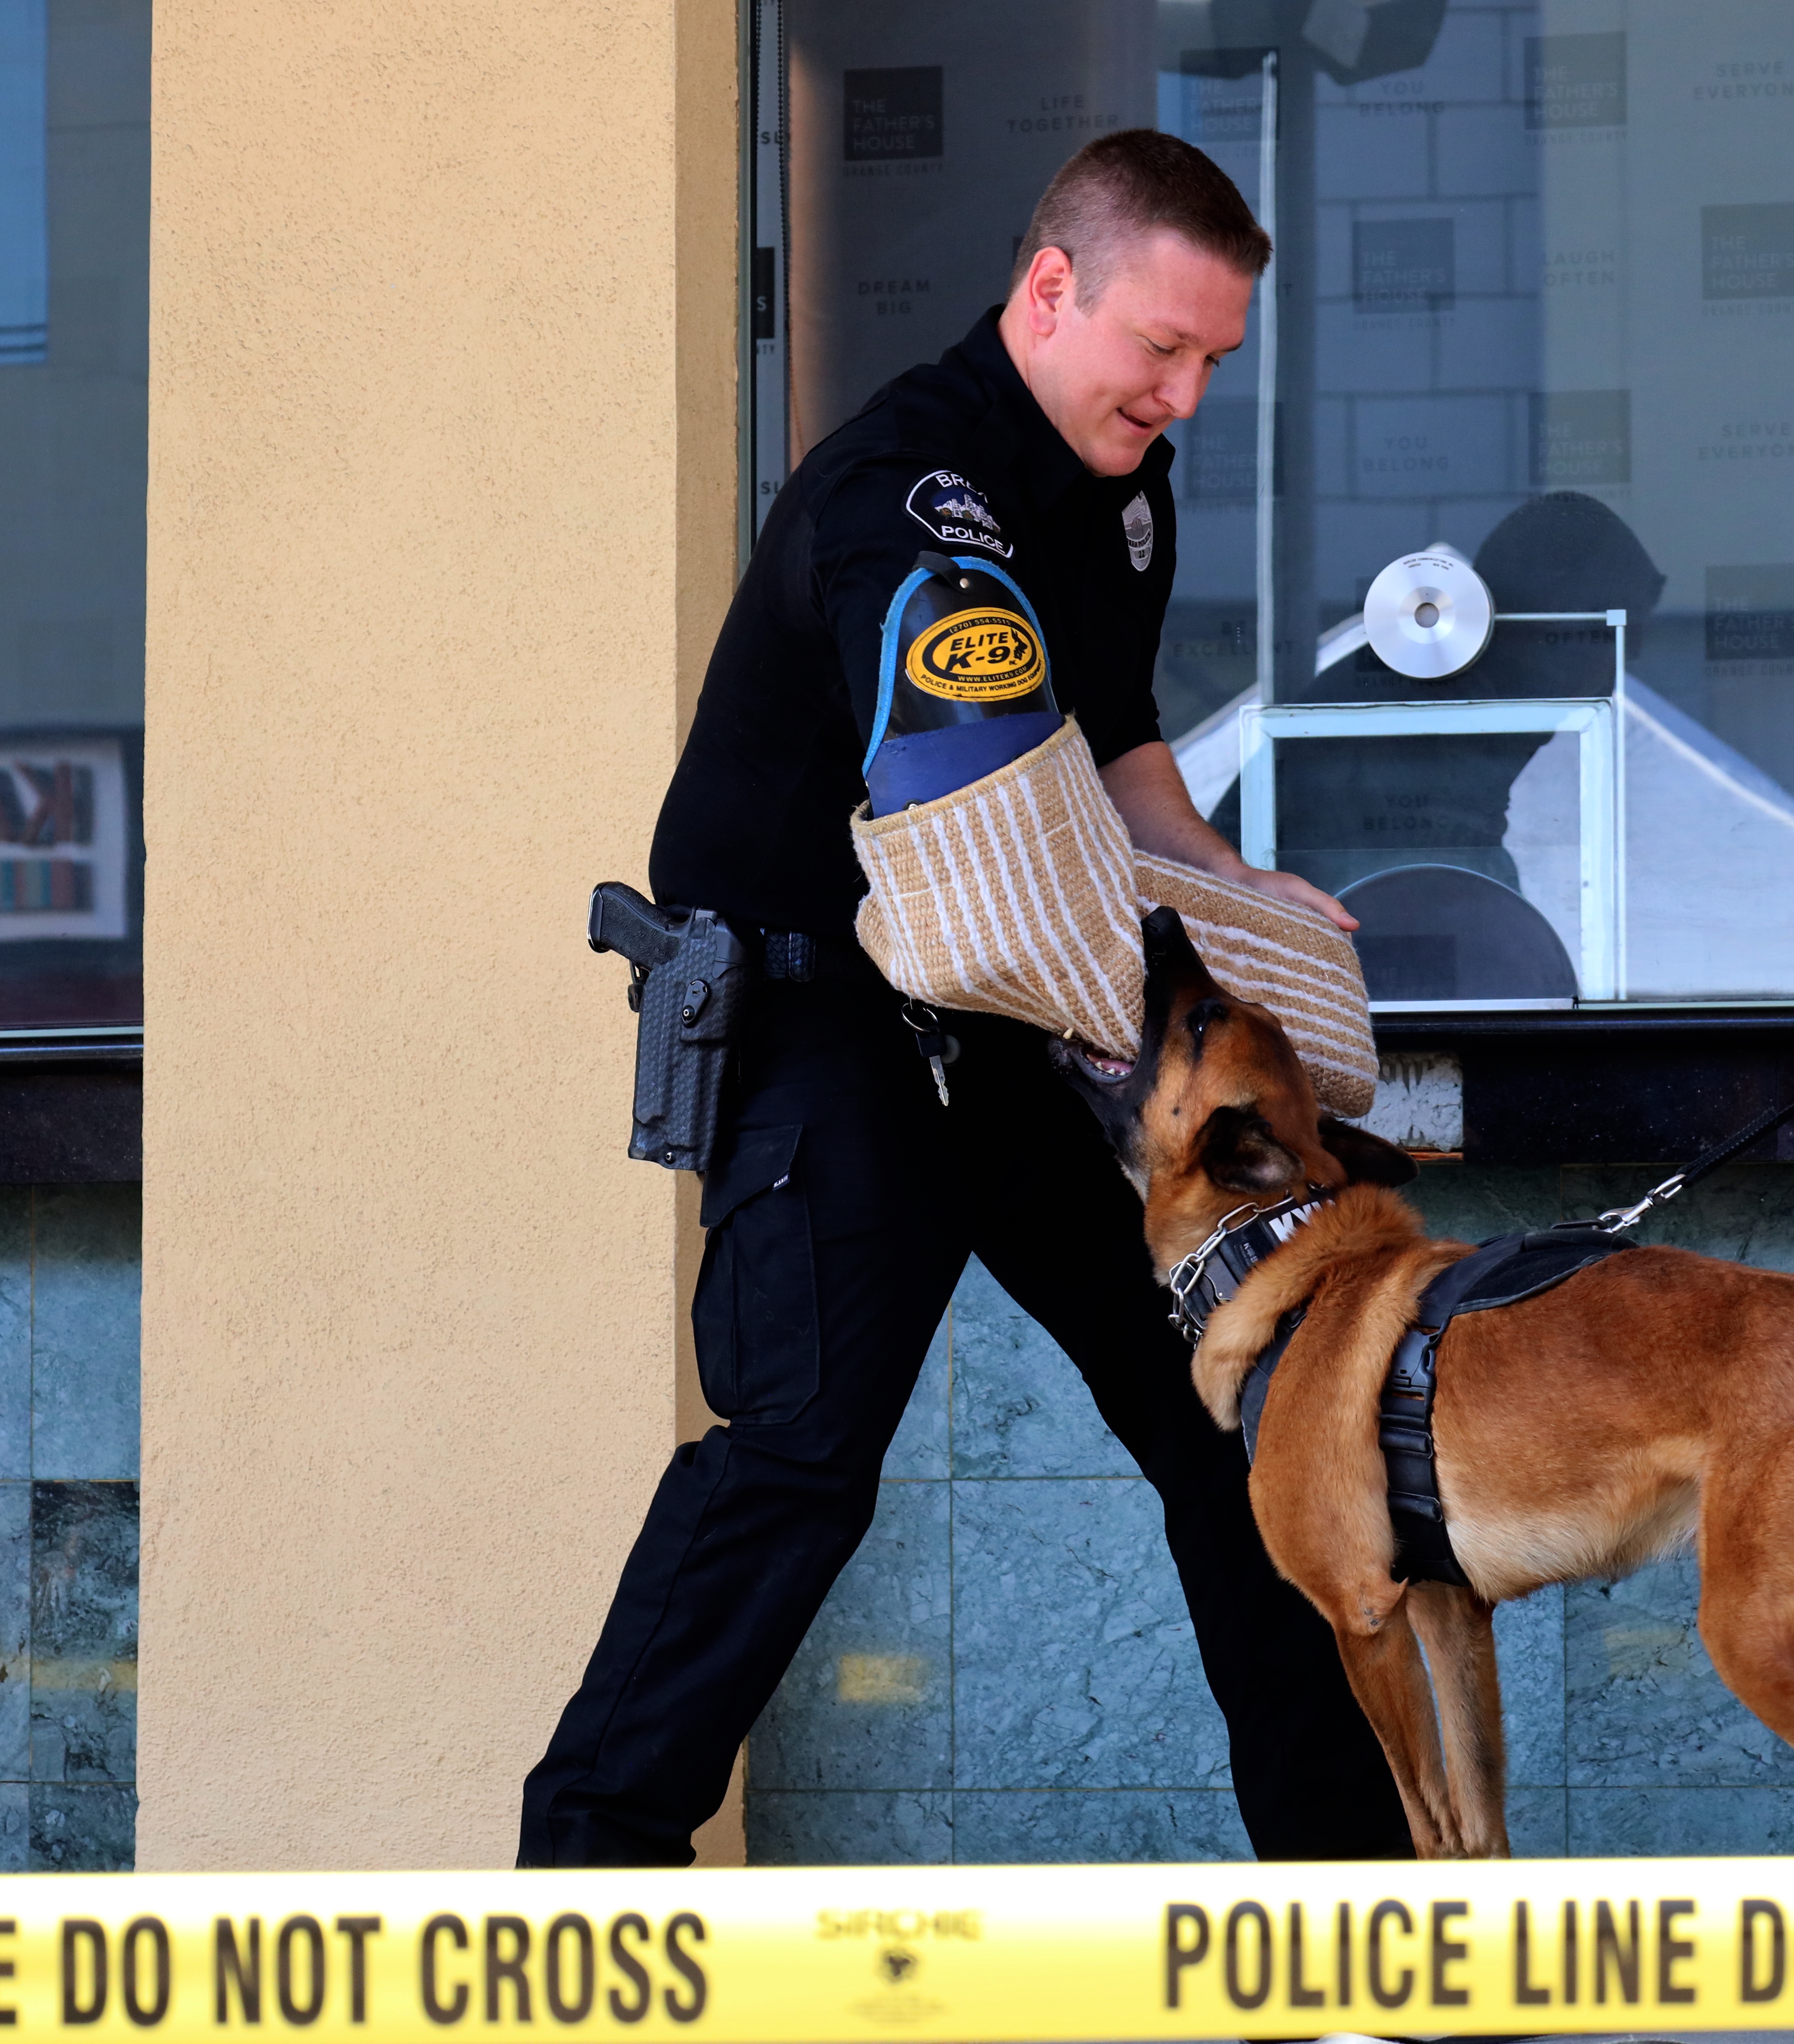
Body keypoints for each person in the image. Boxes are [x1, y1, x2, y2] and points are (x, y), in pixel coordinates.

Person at [518, 131, 1410, 1867]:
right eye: (1162, 347)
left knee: (1236, 1426)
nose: (1184, 396)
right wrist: (1155, 1004)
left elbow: (1120, 751)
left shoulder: (1120, 486)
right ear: (1049, 288)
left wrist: (1228, 891)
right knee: (793, 1465)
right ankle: (582, 1892)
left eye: (1213, 360)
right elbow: (985, 824)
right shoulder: (907, 497)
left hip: (1011, 1028)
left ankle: (1353, 1920)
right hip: (830, 1031)